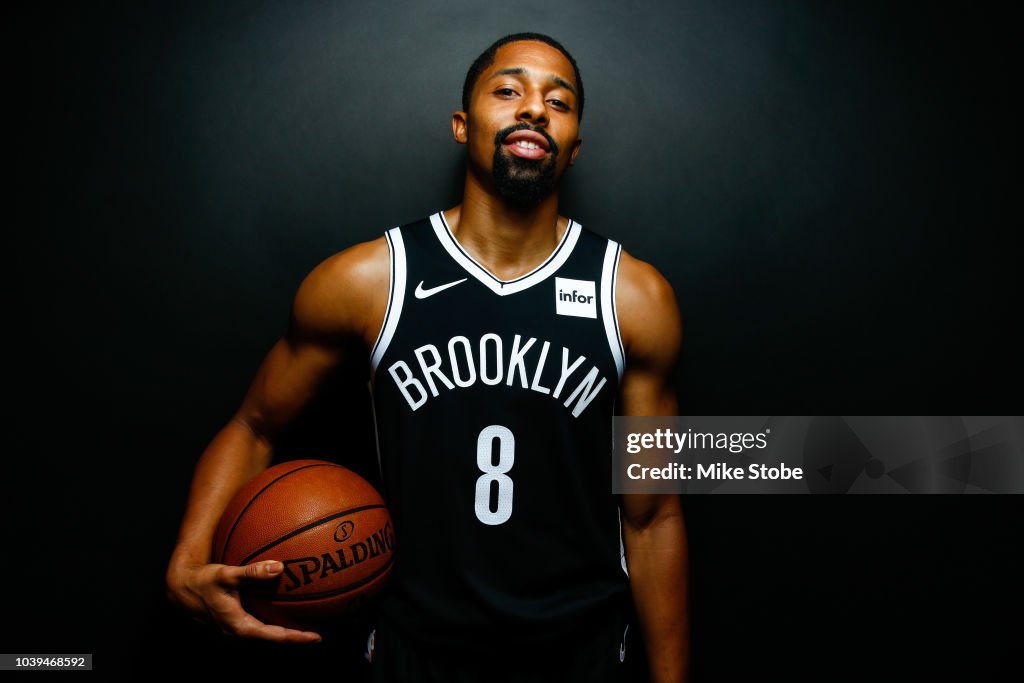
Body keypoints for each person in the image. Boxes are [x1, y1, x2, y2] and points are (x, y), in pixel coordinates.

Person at [166, 32, 688, 682]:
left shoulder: (633, 296)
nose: (533, 109)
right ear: (462, 125)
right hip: (416, 649)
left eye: (559, 101)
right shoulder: (369, 281)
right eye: (508, 90)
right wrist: (189, 556)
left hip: (579, 648)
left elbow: (653, 512)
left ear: (574, 146)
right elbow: (254, 425)